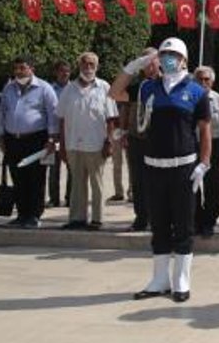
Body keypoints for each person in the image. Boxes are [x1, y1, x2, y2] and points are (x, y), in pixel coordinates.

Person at [113, 38, 210, 303]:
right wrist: (137, 64)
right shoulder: (147, 87)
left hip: (184, 168)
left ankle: (181, 280)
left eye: (173, 54)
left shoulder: (196, 91)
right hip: (154, 166)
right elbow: (115, 92)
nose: (168, 58)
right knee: (159, 226)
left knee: (183, 225)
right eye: (164, 54)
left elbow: (204, 130)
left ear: (184, 60)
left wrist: (204, 163)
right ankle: (159, 279)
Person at [57, 52, 118, 230]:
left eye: (92, 65)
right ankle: (77, 219)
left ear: (97, 67)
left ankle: (97, 219)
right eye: (85, 64)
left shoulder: (105, 87)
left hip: (97, 144)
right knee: (77, 183)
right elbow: (61, 119)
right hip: (73, 144)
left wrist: (109, 142)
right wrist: (62, 145)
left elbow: (111, 118)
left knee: (97, 184)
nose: (88, 68)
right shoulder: (69, 89)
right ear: (79, 66)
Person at [0, 57, 59, 229]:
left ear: (32, 68)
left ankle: (34, 215)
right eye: (16, 68)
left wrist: (52, 139)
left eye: (22, 68)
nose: (19, 71)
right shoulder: (9, 88)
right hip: (13, 139)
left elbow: (53, 115)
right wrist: (0, 136)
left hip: (36, 139)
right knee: (18, 177)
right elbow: (2, 112)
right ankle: (22, 214)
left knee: (36, 178)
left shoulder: (44, 88)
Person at [115, 47, 158, 232]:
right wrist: (123, 132)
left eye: (151, 61)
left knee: (158, 181)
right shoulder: (136, 87)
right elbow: (121, 102)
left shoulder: (166, 84)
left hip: (158, 140)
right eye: (144, 62)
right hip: (137, 139)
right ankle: (141, 218)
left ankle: (159, 218)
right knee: (138, 181)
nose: (148, 65)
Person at [193, 66, 219, 237]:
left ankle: (209, 222)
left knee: (213, 186)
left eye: (206, 79)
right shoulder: (187, 99)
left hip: (215, 146)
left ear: (212, 81)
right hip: (192, 145)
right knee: (191, 185)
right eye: (199, 79)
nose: (203, 83)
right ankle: (196, 220)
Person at [47, 61, 72, 208]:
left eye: (67, 71)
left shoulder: (74, 89)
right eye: (62, 71)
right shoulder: (49, 89)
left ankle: (70, 198)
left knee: (72, 168)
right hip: (53, 133)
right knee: (53, 167)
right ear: (56, 72)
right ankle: (53, 198)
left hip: (70, 133)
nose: (65, 74)